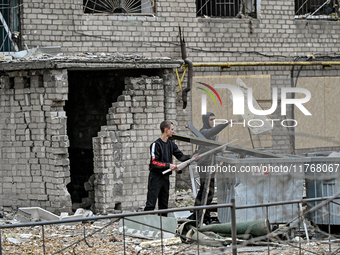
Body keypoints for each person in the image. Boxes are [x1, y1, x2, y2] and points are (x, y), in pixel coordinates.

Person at [144, 120, 199, 215]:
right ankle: (145, 226)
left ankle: (162, 226)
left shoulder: (171, 145)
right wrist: (168, 165)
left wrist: (192, 157)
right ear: (166, 130)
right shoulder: (155, 145)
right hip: (155, 177)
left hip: (166, 178)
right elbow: (154, 163)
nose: (173, 131)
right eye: (172, 129)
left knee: (164, 205)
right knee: (151, 204)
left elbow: (181, 157)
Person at [193, 112, 235, 224]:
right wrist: (226, 123)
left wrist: (217, 149)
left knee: (205, 191)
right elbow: (211, 136)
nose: (213, 122)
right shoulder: (203, 132)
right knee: (207, 191)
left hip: (210, 165)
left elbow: (209, 148)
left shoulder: (210, 135)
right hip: (204, 165)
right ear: (206, 121)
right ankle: (203, 216)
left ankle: (197, 214)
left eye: (214, 119)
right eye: (211, 120)